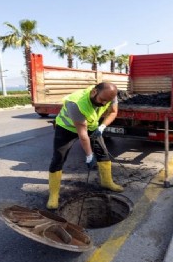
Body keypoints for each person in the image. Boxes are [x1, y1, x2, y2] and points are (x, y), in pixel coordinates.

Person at [47, 82, 123, 210]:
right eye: (102, 100)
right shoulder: (76, 103)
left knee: (102, 153)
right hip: (67, 128)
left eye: (107, 101)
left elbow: (113, 112)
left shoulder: (111, 95)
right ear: (94, 92)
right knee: (58, 158)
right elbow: (83, 135)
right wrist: (89, 156)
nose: (104, 103)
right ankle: (53, 195)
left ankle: (107, 182)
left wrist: (102, 126)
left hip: (92, 126)